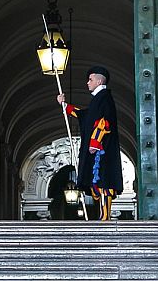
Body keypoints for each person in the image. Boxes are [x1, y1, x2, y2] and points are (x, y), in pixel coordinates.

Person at [57, 66, 123, 220]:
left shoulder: (105, 98)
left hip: (102, 149)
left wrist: (95, 143)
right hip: (97, 149)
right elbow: (85, 116)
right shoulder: (98, 99)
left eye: (90, 79)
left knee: (104, 182)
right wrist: (64, 106)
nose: (87, 83)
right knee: (97, 183)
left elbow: (104, 122)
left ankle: (105, 215)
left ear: (99, 81)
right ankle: (103, 214)